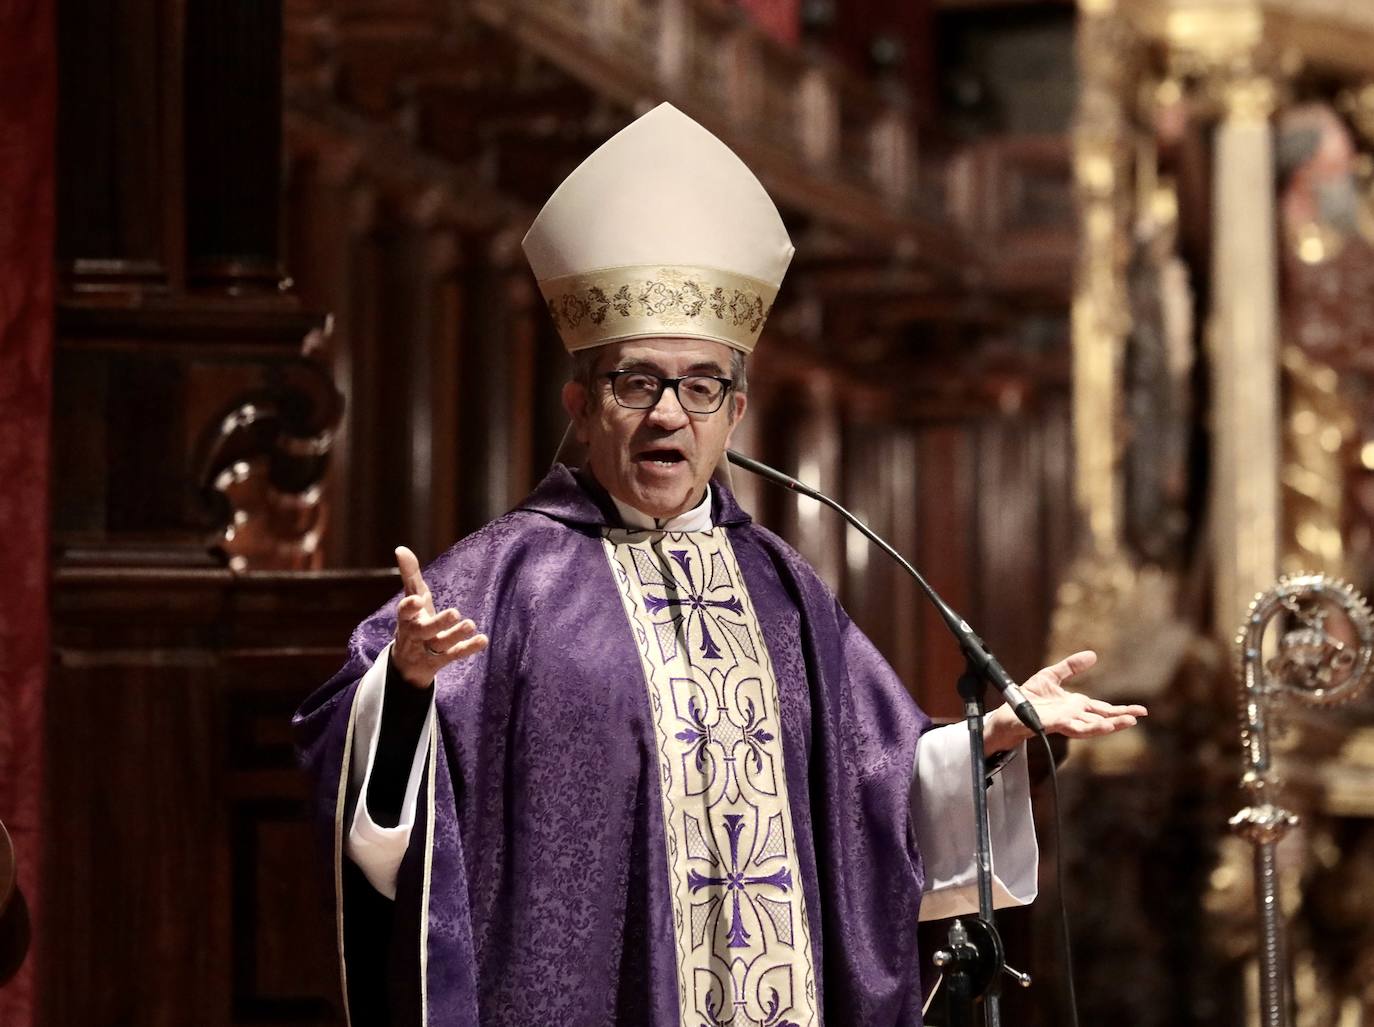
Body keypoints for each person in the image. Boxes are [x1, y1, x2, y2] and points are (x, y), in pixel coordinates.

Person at [294, 103, 1146, 1027]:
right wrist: (409, 685)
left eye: (701, 385)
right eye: (637, 382)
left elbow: (868, 781)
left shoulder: (781, 589)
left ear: (735, 415)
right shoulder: (499, 583)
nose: (670, 414)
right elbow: (362, 799)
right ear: (582, 405)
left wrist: (993, 736)